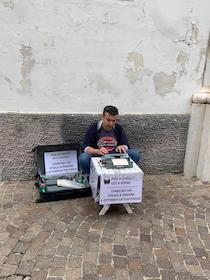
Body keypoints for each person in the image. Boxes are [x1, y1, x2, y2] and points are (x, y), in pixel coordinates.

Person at [79, 105, 140, 174]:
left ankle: (125, 175)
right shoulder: (94, 127)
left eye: (114, 120)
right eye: (108, 120)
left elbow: (126, 145)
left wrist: (122, 147)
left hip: (115, 156)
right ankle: (90, 177)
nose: (111, 123)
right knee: (83, 158)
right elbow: (85, 147)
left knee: (134, 154)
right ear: (102, 117)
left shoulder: (118, 128)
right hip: (98, 157)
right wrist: (97, 151)